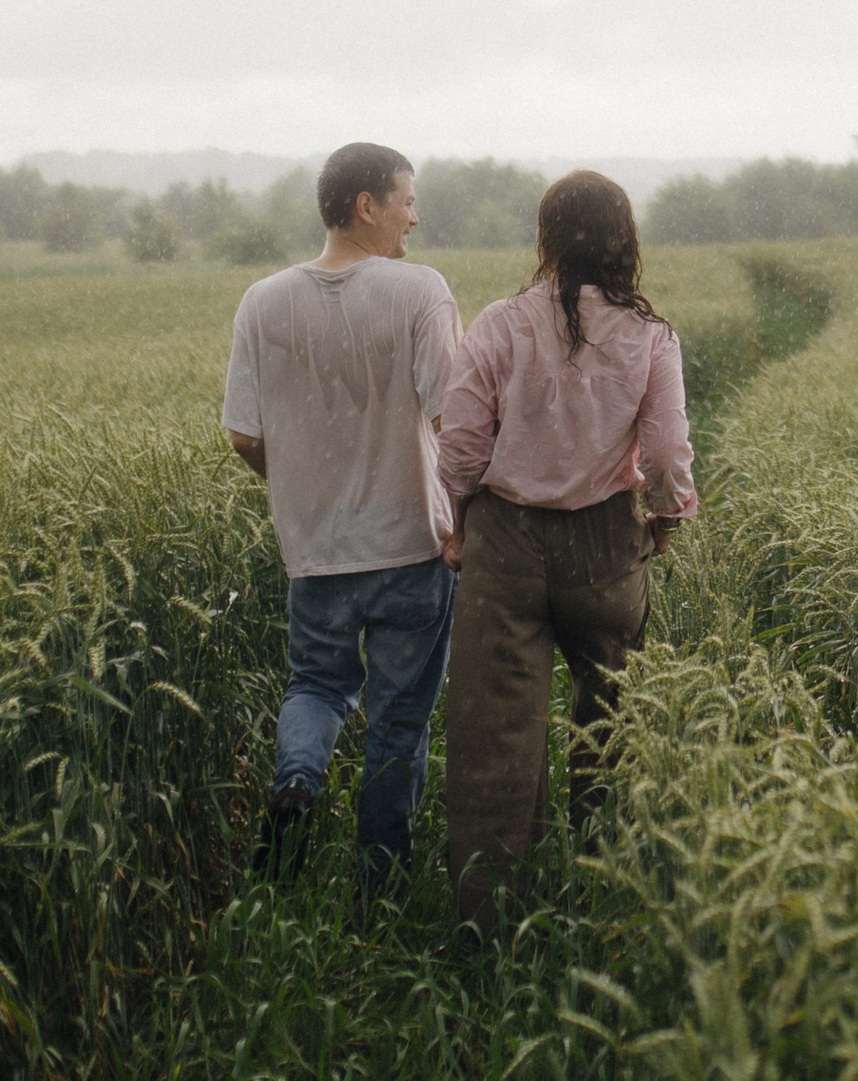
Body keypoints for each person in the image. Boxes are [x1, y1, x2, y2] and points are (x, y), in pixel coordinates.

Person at [434, 170, 696, 926]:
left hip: (506, 542)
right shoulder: (651, 337)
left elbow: (458, 443)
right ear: (625, 242)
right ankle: (604, 882)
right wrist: (667, 516)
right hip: (605, 543)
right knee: (611, 709)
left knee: (495, 729)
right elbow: (669, 449)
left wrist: (459, 518)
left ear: (547, 239)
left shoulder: (500, 324)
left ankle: (489, 913)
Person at [222, 141, 462, 882]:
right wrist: (466, 520)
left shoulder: (262, 300)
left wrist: (303, 489)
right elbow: (457, 419)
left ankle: (296, 782)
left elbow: (242, 433)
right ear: (367, 206)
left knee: (317, 686)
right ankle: (379, 880)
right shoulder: (419, 291)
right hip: (410, 546)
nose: (414, 219)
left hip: (314, 550)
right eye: (407, 201)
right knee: (398, 720)